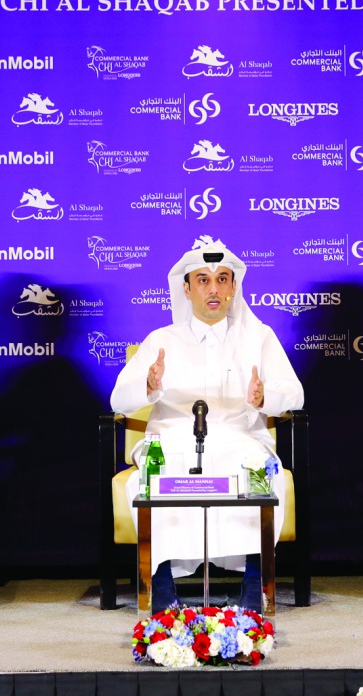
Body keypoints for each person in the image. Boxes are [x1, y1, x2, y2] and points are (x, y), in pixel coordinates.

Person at [111, 237, 304, 612]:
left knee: (260, 469)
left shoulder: (258, 336)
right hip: (171, 438)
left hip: (241, 437)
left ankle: (253, 582)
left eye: (222, 279)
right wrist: (148, 385)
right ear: (186, 288)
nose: (213, 289)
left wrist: (265, 398)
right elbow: (118, 400)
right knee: (151, 472)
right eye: (202, 280)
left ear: (234, 287)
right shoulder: (160, 340)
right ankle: (161, 586)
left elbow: (294, 394)